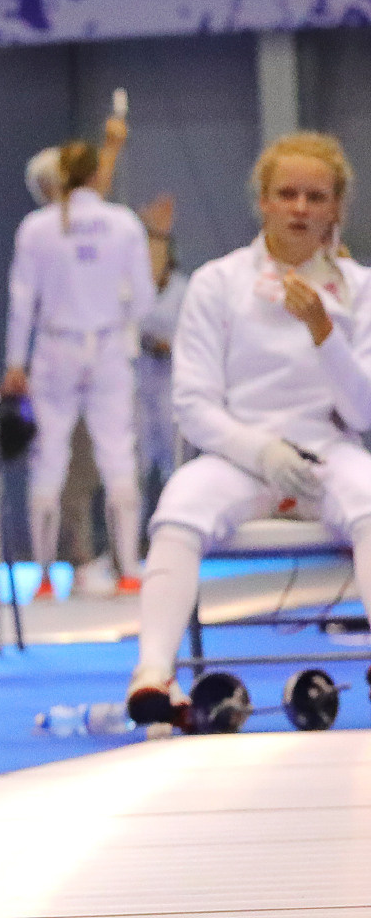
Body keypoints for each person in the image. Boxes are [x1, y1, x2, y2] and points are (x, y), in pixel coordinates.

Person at [128, 134, 371, 725]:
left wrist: (323, 331)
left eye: (315, 197)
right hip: (239, 456)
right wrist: (261, 452)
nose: (299, 208)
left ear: (336, 208)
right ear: (262, 201)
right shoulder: (218, 282)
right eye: (286, 194)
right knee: (179, 504)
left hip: (330, 453)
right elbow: (194, 403)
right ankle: (154, 675)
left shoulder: (361, 289)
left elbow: (364, 412)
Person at [3, 137, 155, 600]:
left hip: (55, 349)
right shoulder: (123, 223)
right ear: (94, 175)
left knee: (49, 457)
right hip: (107, 346)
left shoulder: (36, 228)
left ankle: (45, 578)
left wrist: (15, 361)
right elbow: (143, 299)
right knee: (118, 454)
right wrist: (120, 326)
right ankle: (129, 571)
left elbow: (22, 300)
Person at [137, 194, 187, 508]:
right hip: (139, 385)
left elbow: (192, 339)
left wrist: (167, 345)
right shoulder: (131, 292)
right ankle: (133, 531)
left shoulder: (184, 288)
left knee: (174, 462)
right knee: (136, 465)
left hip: (171, 385)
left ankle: (176, 516)